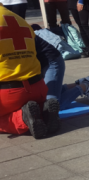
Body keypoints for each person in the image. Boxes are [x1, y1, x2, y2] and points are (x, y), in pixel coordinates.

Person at [0, 4, 58, 138]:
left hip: (9, 94)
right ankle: (42, 115)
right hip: (38, 87)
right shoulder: (20, 20)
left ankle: (22, 119)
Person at [36, 34, 89, 113]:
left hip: (52, 61)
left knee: (53, 107)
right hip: (42, 62)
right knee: (43, 96)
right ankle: (80, 83)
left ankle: (86, 85)